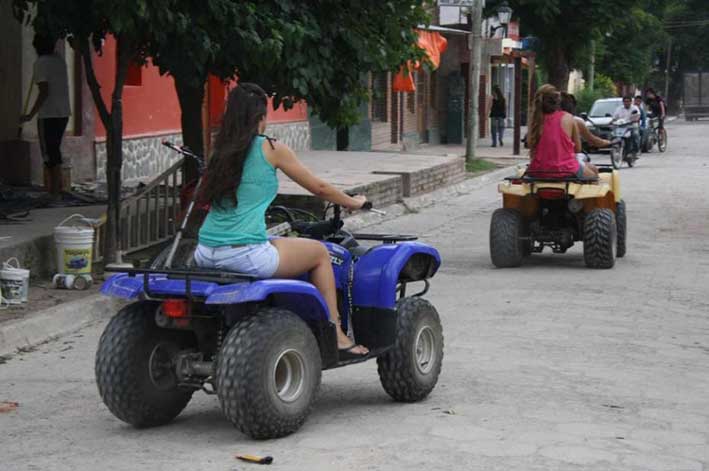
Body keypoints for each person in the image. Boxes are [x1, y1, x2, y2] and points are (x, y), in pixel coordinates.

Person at [195, 83, 369, 356]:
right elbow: (320, 189)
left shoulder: (220, 151)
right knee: (319, 253)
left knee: (274, 241)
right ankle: (336, 335)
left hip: (205, 251)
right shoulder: (271, 148)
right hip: (244, 254)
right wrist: (353, 202)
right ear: (260, 118)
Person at [20, 35, 71, 198]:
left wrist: (29, 115)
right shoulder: (59, 60)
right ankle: (57, 188)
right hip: (63, 113)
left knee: (49, 153)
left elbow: (44, 91)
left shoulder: (41, 63)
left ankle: (54, 191)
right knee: (54, 150)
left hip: (49, 114)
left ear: (37, 48)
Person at [527, 84, 598, 179]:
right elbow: (577, 149)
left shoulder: (535, 122)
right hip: (566, 169)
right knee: (594, 175)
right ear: (558, 102)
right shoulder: (568, 117)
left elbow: (531, 147)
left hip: (538, 170)